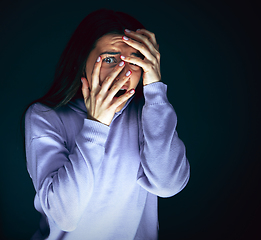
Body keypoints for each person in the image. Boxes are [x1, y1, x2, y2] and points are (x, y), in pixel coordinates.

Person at [22, 8, 190, 240]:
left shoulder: (148, 113)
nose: (124, 72)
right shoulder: (45, 116)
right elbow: (64, 215)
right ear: (82, 62)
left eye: (135, 59)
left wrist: (156, 92)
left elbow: (168, 184)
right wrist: (96, 124)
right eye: (110, 59)